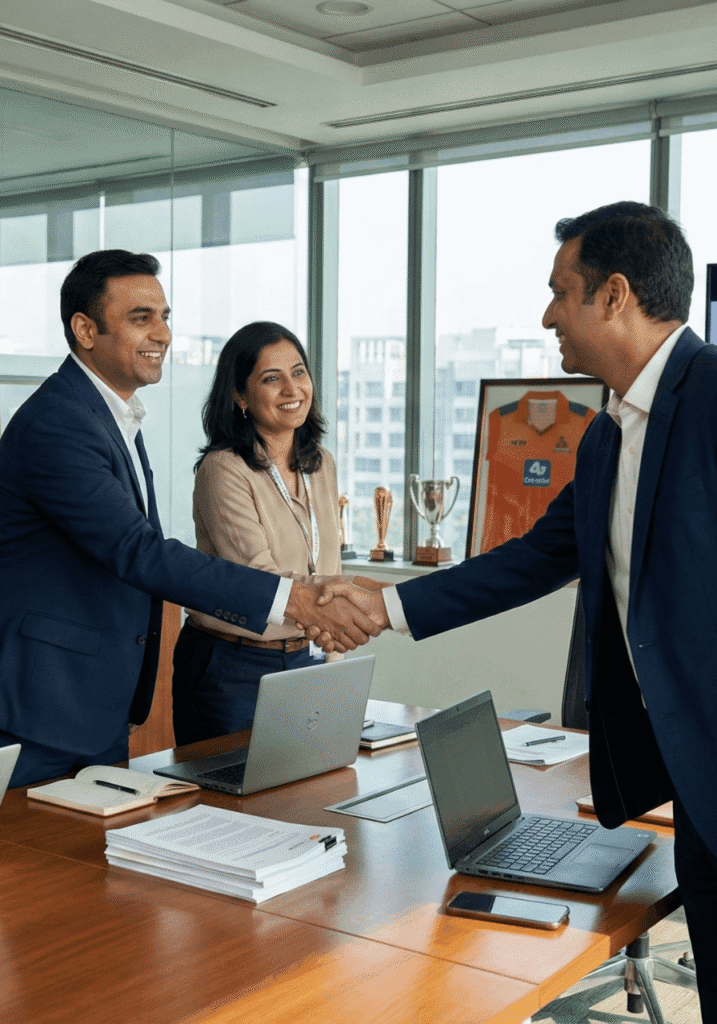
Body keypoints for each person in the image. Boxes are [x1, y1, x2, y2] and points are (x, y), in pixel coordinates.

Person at [320, 201, 717, 1016]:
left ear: (612, 296)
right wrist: (387, 608)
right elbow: (536, 558)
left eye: (558, 293)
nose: (546, 316)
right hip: (691, 783)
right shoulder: (606, 433)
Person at [0, 250, 378, 788]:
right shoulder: (58, 424)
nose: (163, 334)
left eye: (165, 316)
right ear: (85, 329)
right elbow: (139, 551)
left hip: (91, 704)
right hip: (43, 707)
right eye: (140, 318)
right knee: (33, 868)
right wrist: (294, 598)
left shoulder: (110, 415)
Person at [172, 321, 344, 744]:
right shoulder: (224, 469)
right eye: (272, 378)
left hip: (306, 656)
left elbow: (329, 563)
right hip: (231, 667)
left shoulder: (320, 463)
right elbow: (259, 581)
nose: (292, 389)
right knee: (232, 802)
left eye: (298, 372)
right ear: (239, 395)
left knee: (305, 798)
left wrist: (334, 659)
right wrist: (346, 606)